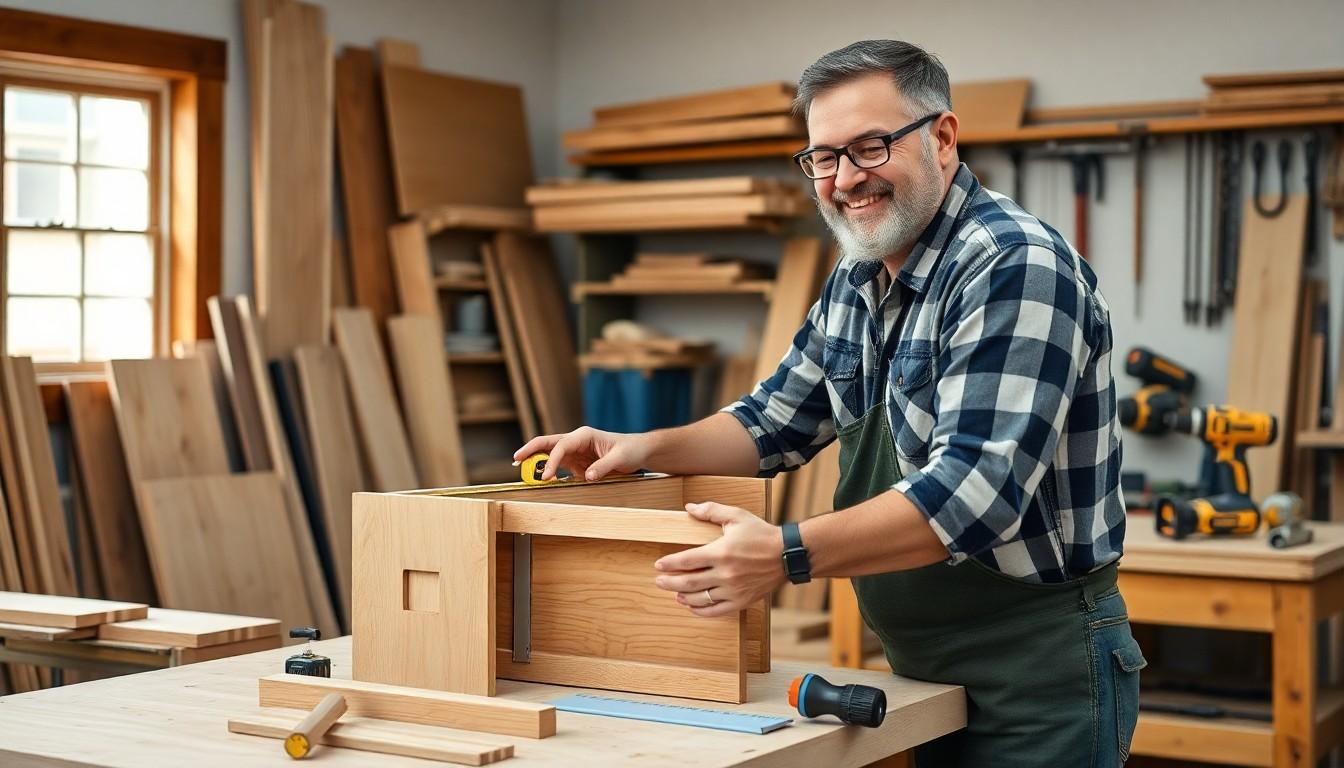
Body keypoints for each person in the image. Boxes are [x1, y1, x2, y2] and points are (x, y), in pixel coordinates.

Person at [516, 39, 1143, 767]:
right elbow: (772, 421)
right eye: (824, 156)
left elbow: (975, 495)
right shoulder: (859, 278)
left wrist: (784, 554)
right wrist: (642, 448)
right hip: (920, 667)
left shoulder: (1015, 267)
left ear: (942, 138)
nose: (845, 179)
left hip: (1039, 673)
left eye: (871, 148)